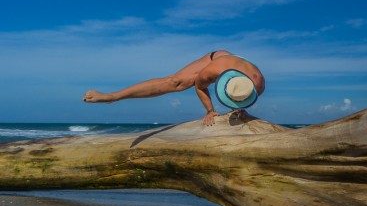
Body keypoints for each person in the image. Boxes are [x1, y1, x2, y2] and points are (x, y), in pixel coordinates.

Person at [83, 50, 266, 126]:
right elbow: (200, 87)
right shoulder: (211, 71)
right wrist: (210, 110)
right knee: (175, 83)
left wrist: (240, 110)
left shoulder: (258, 85)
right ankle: (112, 97)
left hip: (234, 66)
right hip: (217, 57)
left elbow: (241, 94)